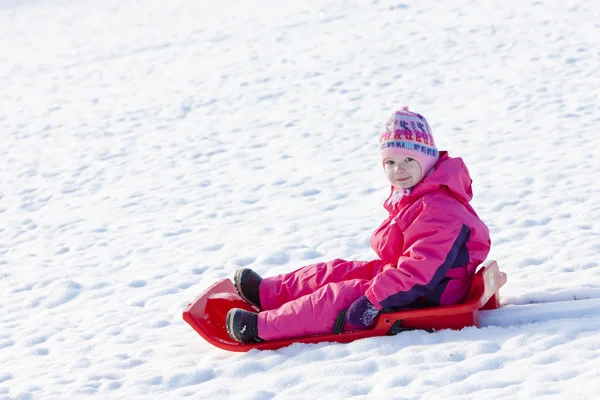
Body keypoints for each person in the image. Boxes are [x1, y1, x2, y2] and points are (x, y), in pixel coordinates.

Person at [225, 106, 491, 343]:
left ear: (428, 159)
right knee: (339, 270)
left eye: (409, 160)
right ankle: (268, 293)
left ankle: (262, 328)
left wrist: (372, 301)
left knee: (343, 295)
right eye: (390, 162)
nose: (399, 170)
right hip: (412, 279)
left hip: (430, 293)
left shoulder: (438, 210)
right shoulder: (417, 195)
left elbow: (419, 273)